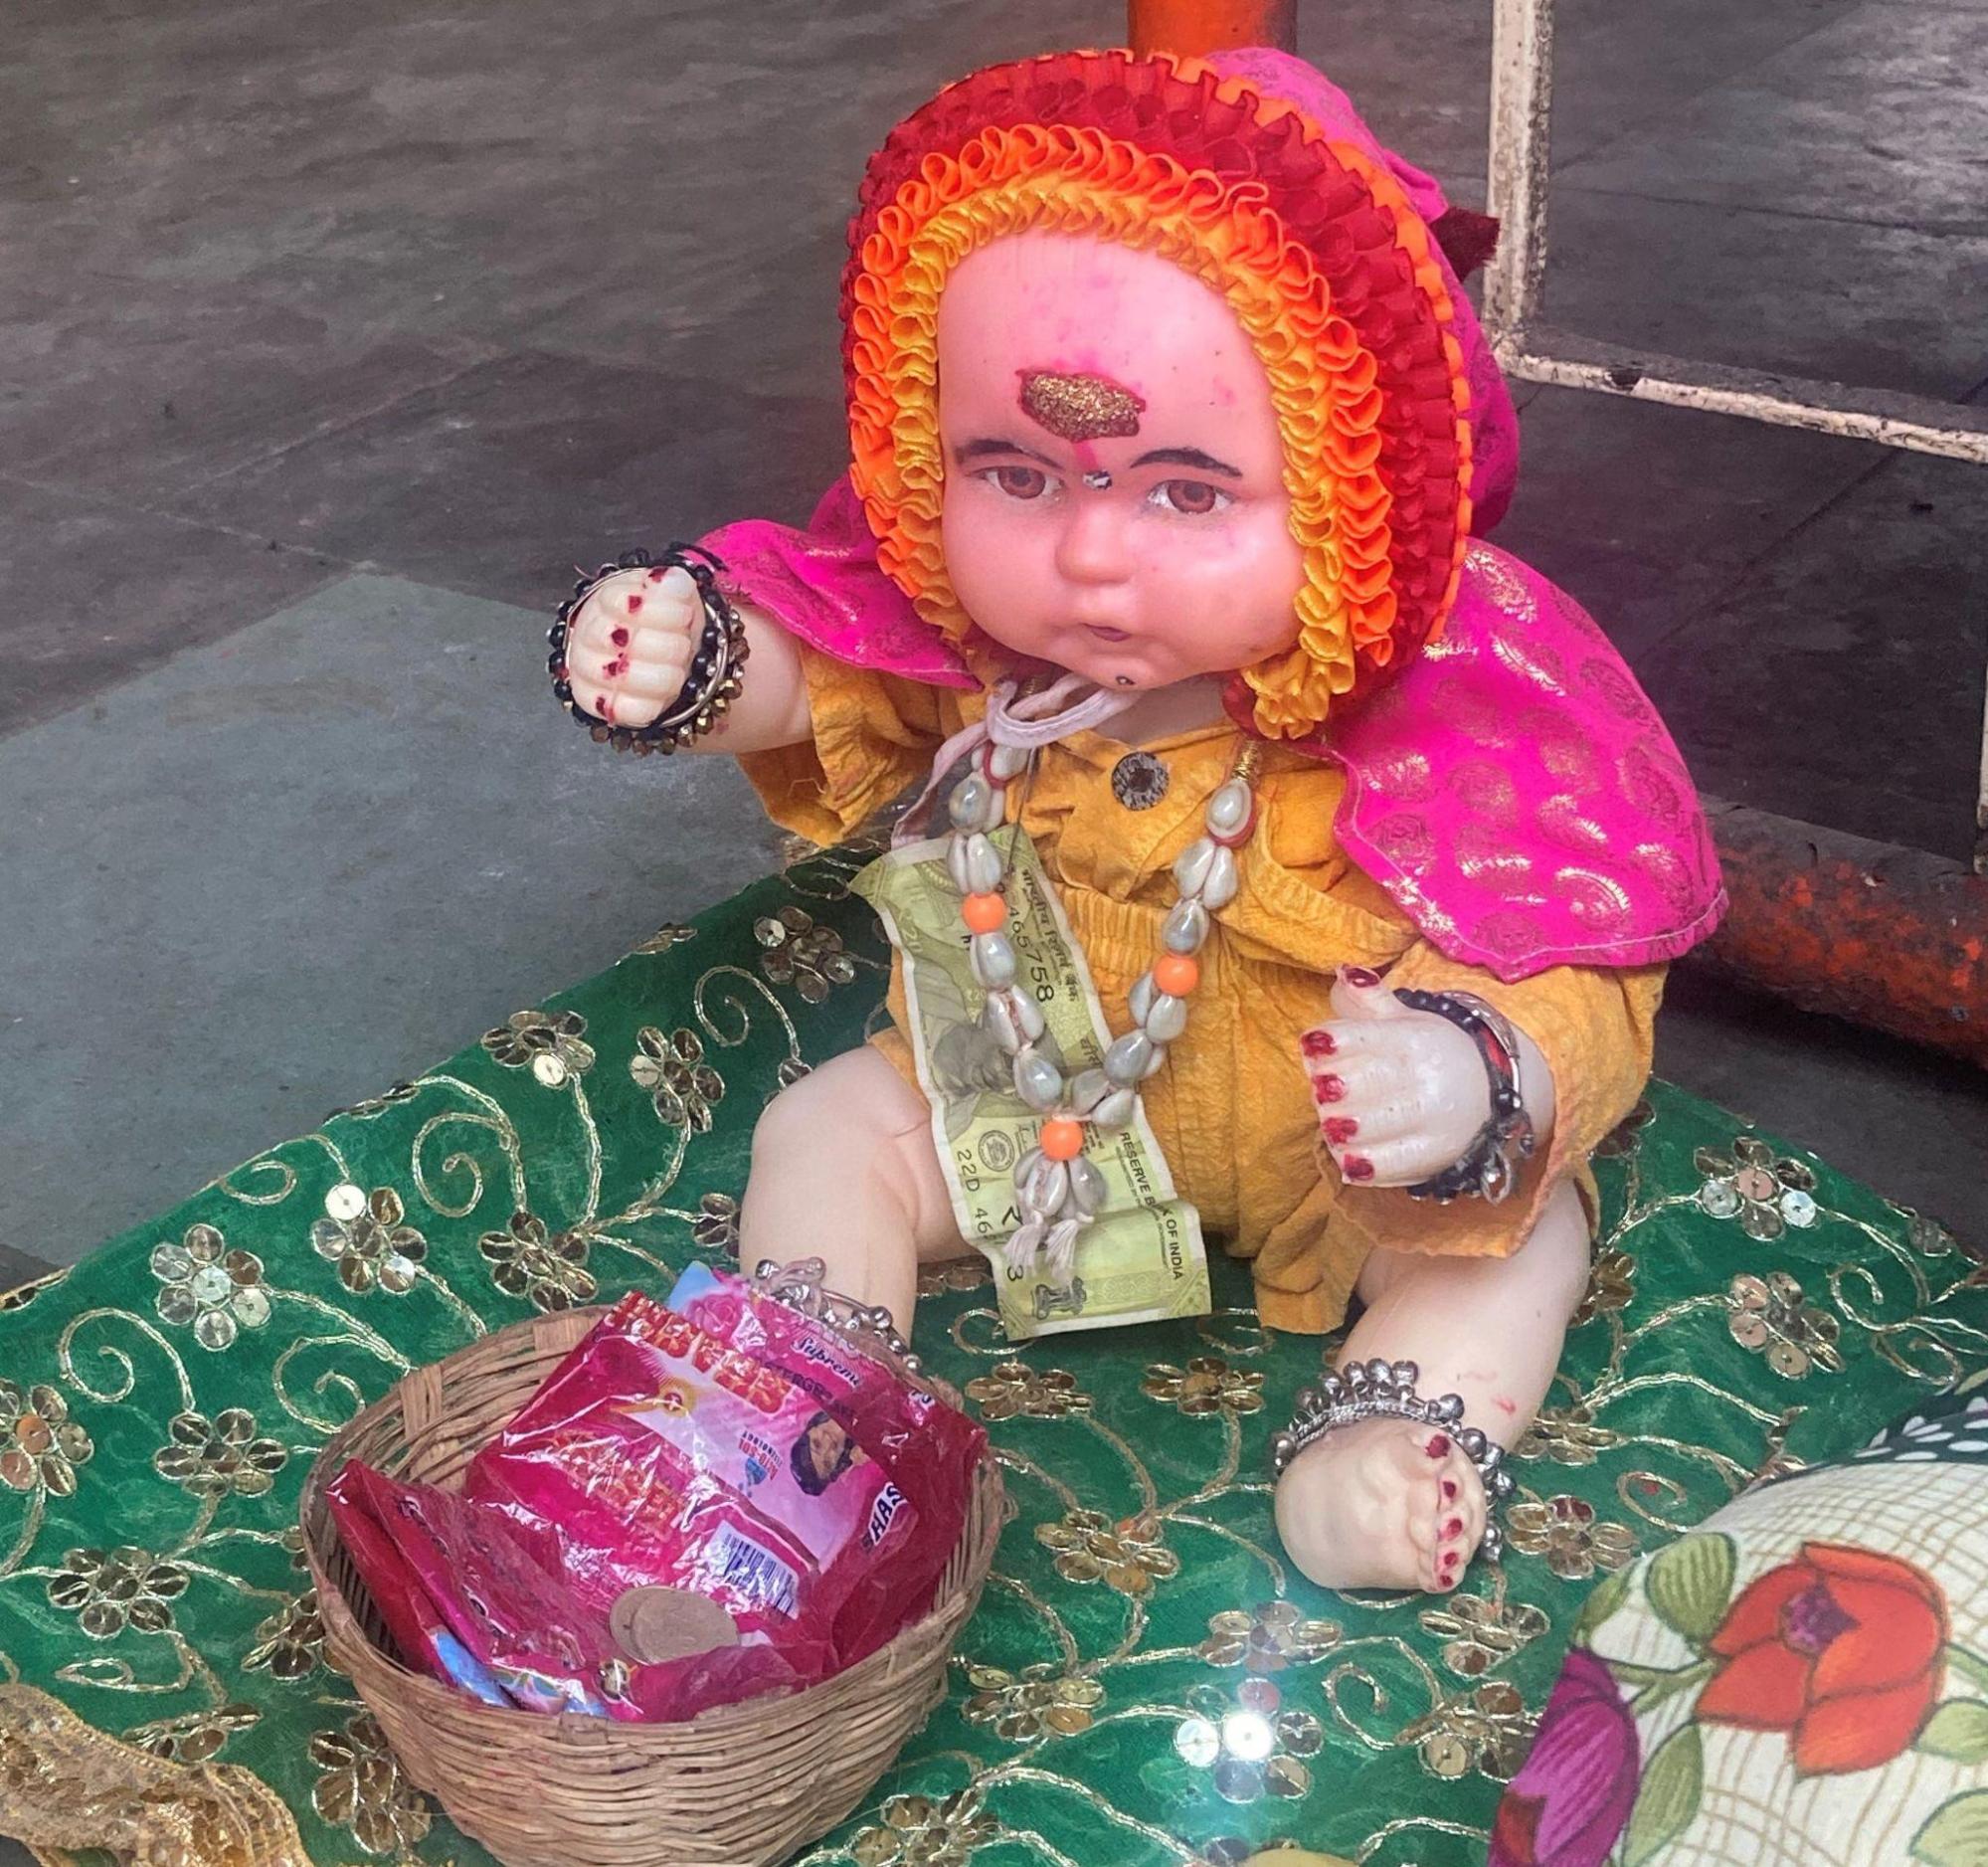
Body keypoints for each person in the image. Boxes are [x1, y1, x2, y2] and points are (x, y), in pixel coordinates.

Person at [548, 48, 1722, 1593]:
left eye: (1185, 493)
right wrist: (707, 658)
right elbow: (847, 662)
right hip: (1037, 1108)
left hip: (1340, 1158)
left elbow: (1576, 944)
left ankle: (1389, 1431)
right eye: (1016, 474)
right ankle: (801, 1403)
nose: (1089, 557)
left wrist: (1470, 1072)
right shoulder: (992, 659)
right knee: (828, 1125)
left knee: (1523, 1229)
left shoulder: (1466, 696)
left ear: (1354, 488)